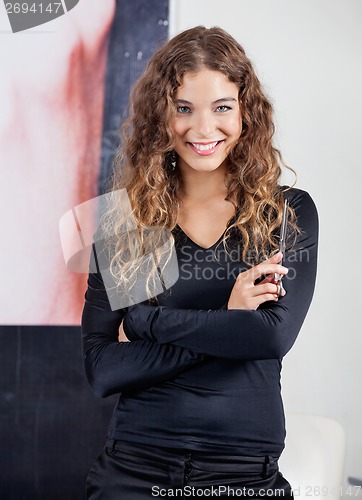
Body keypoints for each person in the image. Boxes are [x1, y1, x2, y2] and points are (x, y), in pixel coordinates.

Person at [81, 26, 318, 499]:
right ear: (160, 116)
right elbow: (103, 368)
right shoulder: (124, 218)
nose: (203, 129)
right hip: (133, 467)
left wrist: (148, 321)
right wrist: (228, 321)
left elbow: (271, 336)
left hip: (245, 473)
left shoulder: (287, 212)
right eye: (183, 108)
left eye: (222, 107)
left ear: (246, 112)